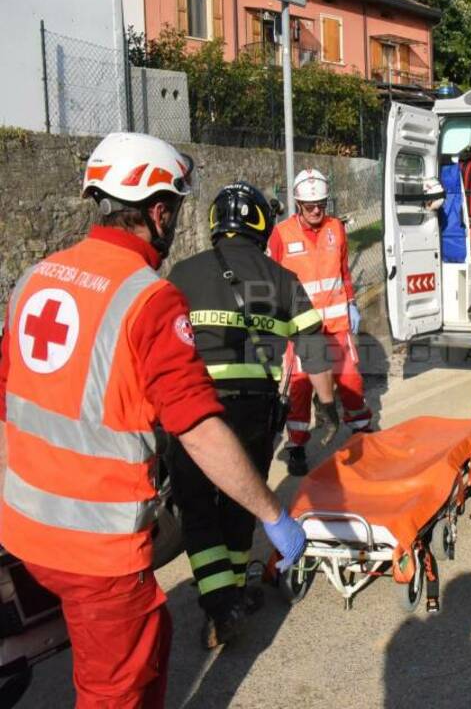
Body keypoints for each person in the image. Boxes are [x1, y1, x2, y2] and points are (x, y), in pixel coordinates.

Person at [0, 133, 306, 708]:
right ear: (159, 212)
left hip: (24, 532)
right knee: (118, 691)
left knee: (157, 639)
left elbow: (10, 402)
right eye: (176, 211)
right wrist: (271, 511)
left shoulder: (34, 280)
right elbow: (197, 428)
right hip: (97, 551)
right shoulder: (148, 299)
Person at [166, 182, 339, 649]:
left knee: (198, 507)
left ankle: (220, 605)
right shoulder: (282, 279)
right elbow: (314, 352)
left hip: (190, 406)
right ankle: (234, 594)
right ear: (262, 223)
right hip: (254, 410)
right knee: (247, 499)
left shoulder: (182, 273)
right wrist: (328, 407)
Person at [268, 168, 372, 476]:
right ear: (298, 204)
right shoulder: (281, 235)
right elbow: (272, 280)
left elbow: (343, 271)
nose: (317, 210)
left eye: (322, 204)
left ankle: (361, 430)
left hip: (337, 324)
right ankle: (297, 445)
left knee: (351, 380)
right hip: (300, 329)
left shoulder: (336, 229)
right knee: (299, 388)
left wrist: (351, 302)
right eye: (310, 205)